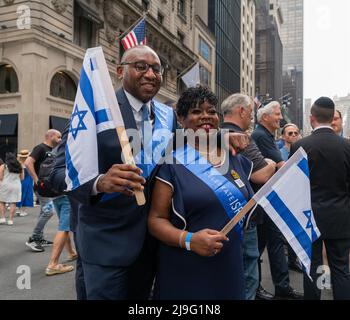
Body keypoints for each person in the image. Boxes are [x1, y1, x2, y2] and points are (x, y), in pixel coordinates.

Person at [51, 46, 250, 300]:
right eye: (141, 66)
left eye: (156, 69)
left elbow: (187, 142)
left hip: (153, 246)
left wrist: (222, 137)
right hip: (107, 245)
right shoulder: (96, 112)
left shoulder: (166, 116)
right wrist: (100, 182)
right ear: (120, 70)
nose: (150, 74)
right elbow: (56, 173)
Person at [148, 86, 254, 300]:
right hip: (186, 268)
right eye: (196, 112)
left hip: (229, 266)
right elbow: (155, 220)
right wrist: (189, 240)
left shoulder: (236, 158)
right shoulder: (171, 162)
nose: (206, 116)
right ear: (181, 118)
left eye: (211, 111)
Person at [290, 97, 350, 300]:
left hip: (309, 217)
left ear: (311, 118)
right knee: (341, 269)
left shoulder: (299, 145)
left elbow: (294, 186)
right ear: (332, 116)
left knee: (313, 267)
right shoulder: (347, 146)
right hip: (341, 216)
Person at [221, 93, 276, 300]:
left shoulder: (214, 136)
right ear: (241, 111)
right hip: (244, 219)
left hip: (220, 215)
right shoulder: (240, 136)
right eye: (251, 113)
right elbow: (261, 175)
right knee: (247, 275)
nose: (251, 118)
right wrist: (270, 162)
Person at [252, 101, 303, 300]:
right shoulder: (260, 136)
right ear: (265, 117)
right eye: (277, 114)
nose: (280, 117)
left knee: (270, 243)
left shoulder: (264, 135)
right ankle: (257, 288)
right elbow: (282, 167)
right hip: (264, 200)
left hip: (267, 199)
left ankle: (281, 287)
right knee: (259, 246)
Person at [24, 129, 62, 252]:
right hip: (41, 187)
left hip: (48, 188)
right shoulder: (40, 148)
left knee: (43, 211)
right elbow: (28, 162)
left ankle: (39, 237)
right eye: (58, 137)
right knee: (48, 211)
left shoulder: (53, 150)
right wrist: (36, 179)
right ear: (50, 136)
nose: (60, 139)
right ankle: (34, 238)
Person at [278, 124, 304, 273]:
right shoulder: (279, 153)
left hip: (298, 196)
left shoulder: (303, 152)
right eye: (290, 133)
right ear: (283, 136)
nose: (293, 135)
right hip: (284, 196)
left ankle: (293, 260)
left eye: (295, 133)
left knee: (296, 229)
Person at [45, 194, 77, 276]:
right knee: (64, 229)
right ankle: (53, 264)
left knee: (64, 226)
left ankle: (72, 253)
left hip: (55, 196)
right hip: (66, 195)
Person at [0, 153, 24, 225]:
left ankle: (3, 218)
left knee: (2, 202)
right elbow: (22, 178)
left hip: (5, 185)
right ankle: (10, 220)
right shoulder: (20, 166)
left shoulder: (3, 166)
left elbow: (0, 177)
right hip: (16, 185)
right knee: (13, 203)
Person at [16, 150, 34, 217]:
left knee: (19, 194)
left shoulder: (18, 163)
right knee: (26, 195)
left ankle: (18, 209)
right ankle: (22, 211)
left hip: (19, 180)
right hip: (28, 179)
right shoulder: (29, 163)